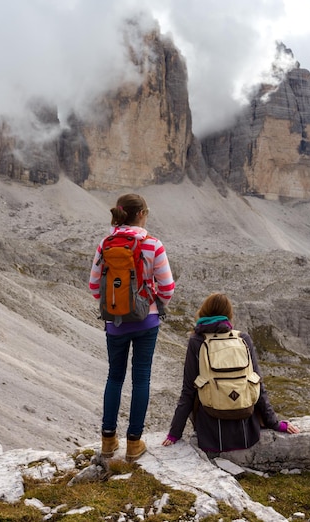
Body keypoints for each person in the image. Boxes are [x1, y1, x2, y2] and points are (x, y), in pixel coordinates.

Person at [90, 193, 175, 462]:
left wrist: (117, 304)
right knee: (141, 379)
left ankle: (107, 441)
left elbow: (94, 287)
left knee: (114, 377)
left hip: (114, 323)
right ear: (141, 214)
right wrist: (149, 301)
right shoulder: (153, 244)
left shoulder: (105, 244)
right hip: (146, 322)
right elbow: (168, 288)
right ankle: (134, 443)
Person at [162, 293, 299, 454]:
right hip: (247, 434)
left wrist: (174, 434)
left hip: (212, 436)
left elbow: (188, 391)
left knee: (198, 388)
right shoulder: (243, 338)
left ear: (203, 312)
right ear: (229, 314)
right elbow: (258, 384)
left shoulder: (197, 341)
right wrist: (275, 423)